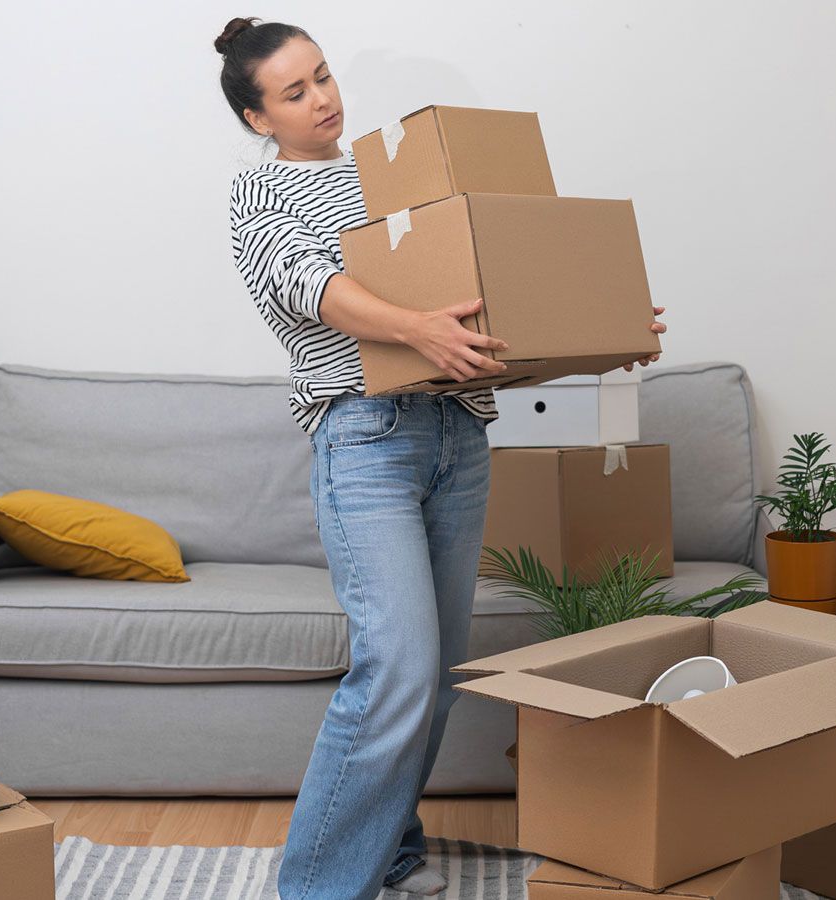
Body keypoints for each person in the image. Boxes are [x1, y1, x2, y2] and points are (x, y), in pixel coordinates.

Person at [215, 17, 665, 900]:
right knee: (400, 668)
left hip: (458, 437)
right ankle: (314, 889)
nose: (323, 99)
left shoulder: (391, 184)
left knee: (435, 674)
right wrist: (416, 327)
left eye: (325, 76)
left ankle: (388, 851)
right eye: (295, 92)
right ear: (259, 119)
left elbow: (490, 291)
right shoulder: (258, 198)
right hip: (366, 439)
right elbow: (310, 284)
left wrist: (604, 327)